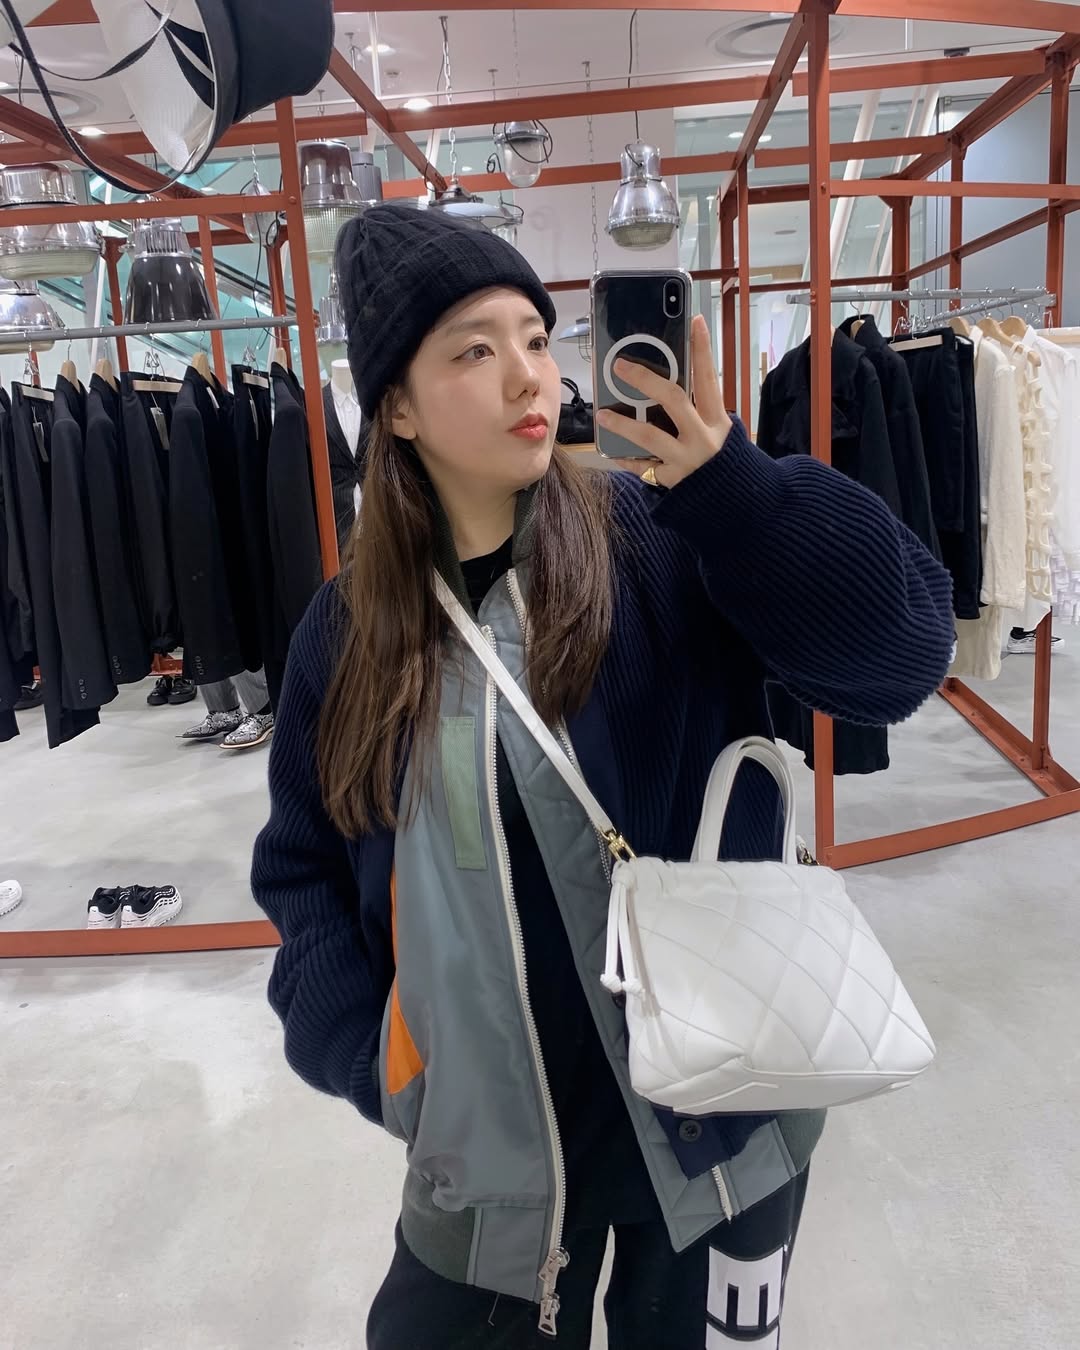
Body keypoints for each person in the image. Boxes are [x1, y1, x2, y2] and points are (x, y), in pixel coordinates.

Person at [251, 204, 954, 1349]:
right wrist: (383, 1064)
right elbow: (304, 870)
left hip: (728, 1119)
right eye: (473, 349)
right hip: (491, 1167)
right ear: (396, 407)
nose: (526, 373)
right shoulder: (347, 635)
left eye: (535, 337)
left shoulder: (662, 540)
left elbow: (903, 656)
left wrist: (736, 488)